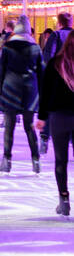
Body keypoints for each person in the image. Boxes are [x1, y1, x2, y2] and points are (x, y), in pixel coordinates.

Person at [0, 17, 42, 174]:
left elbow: (1, 71)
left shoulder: (8, 47)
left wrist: (0, 91)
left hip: (11, 90)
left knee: (9, 128)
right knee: (29, 127)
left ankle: (7, 161)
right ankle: (35, 159)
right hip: (30, 91)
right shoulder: (35, 48)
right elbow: (41, 73)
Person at [37, 31, 74, 216]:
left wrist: (42, 117)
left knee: (61, 160)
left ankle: (64, 198)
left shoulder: (55, 64)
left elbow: (45, 93)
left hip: (59, 117)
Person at [38, 14, 72, 154]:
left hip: (58, 77)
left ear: (59, 23)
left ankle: (45, 137)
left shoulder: (56, 35)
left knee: (53, 107)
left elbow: (48, 56)